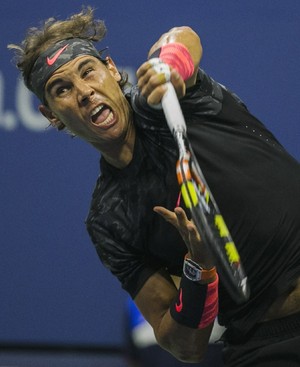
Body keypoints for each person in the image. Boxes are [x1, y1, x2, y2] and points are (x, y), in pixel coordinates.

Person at [9, 6, 300, 367]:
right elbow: (183, 346)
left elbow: (182, 36)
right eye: (62, 89)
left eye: (89, 72)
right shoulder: (110, 221)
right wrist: (198, 270)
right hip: (264, 348)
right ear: (51, 115)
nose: (84, 92)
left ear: (112, 70)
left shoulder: (167, 100)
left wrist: (171, 67)